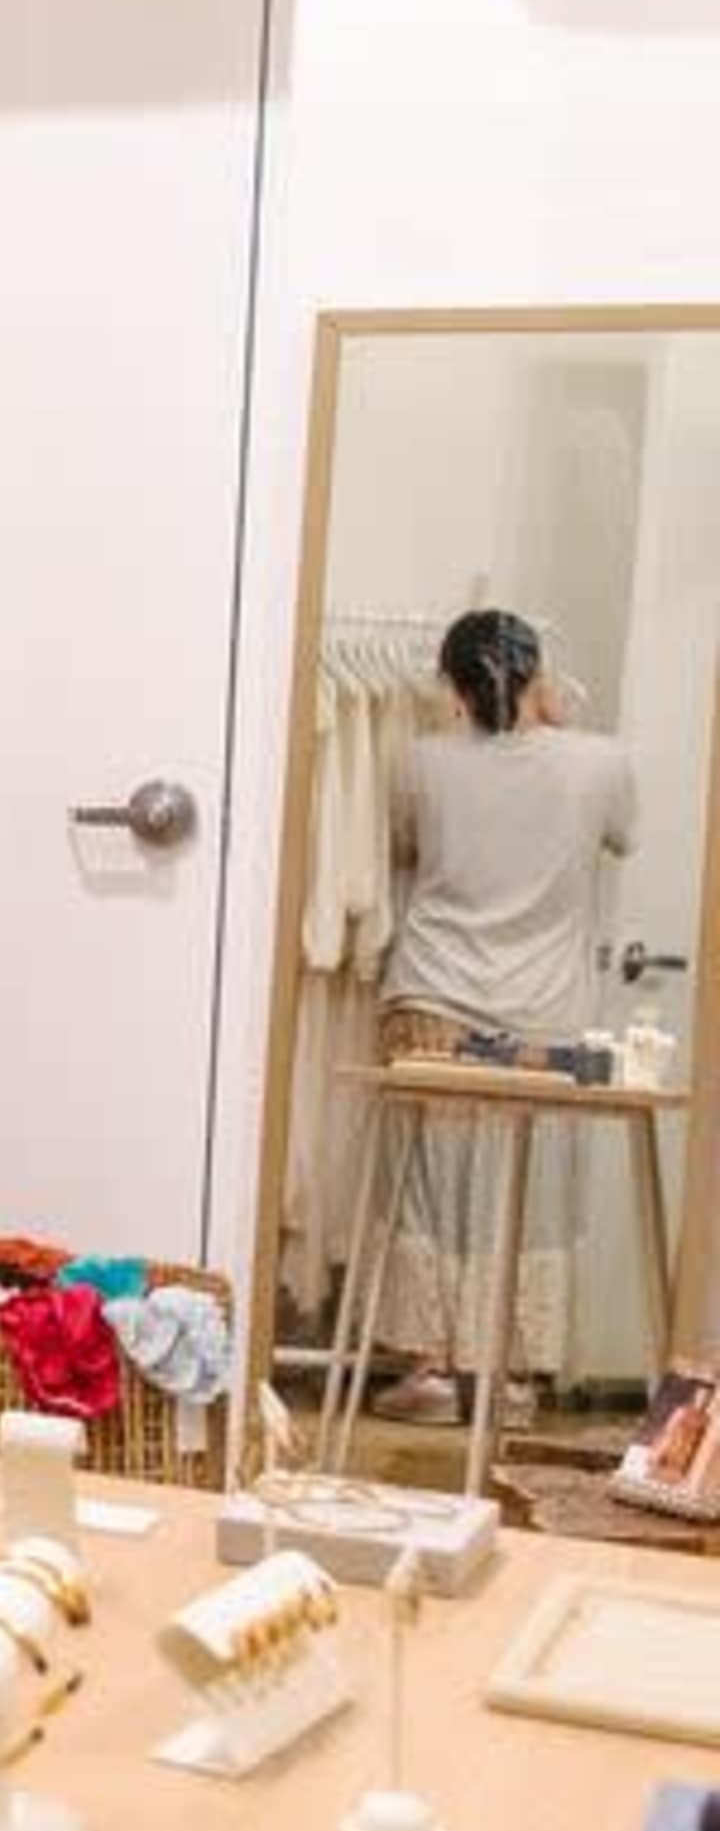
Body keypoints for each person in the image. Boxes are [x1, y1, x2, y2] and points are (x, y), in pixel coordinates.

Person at [365, 607, 635, 1420]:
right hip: (545, 1011)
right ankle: (510, 1374)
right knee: (526, 1184)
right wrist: (565, 725)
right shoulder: (602, 762)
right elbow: (620, 836)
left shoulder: (419, 761)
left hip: (432, 992)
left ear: (451, 686)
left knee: (428, 1183)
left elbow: (411, 848)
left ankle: (432, 1369)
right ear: (539, 677)